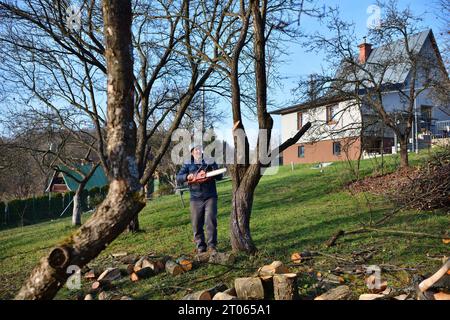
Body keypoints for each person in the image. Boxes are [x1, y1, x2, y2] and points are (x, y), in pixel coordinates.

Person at [176, 144, 223, 254]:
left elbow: (219, 176)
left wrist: (211, 171)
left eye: (199, 149)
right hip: (195, 198)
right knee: (196, 223)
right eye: (195, 149)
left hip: (210, 196)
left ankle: (212, 246)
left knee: (210, 221)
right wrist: (187, 176)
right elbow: (179, 177)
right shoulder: (188, 163)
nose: (198, 151)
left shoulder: (209, 161)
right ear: (192, 152)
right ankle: (201, 246)